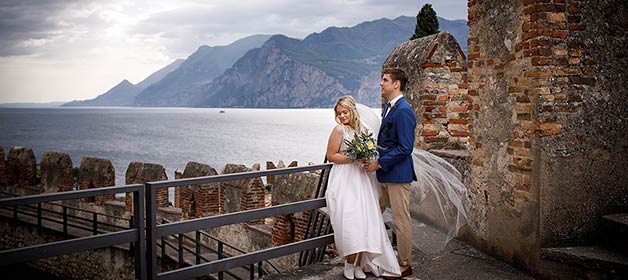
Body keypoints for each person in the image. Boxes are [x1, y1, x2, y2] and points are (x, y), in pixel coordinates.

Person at [325, 95, 401, 280]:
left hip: (361, 179)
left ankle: (359, 264)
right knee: (351, 221)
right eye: (339, 113)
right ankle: (349, 263)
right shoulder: (338, 131)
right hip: (344, 179)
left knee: (364, 221)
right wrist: (353, 158)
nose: (342, 116)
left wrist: (367, 159)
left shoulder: (364, 131)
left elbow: (372, 152)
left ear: (353, 111)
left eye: (345, 112)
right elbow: (331, 156)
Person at [365, 68, 416, 279]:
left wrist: (379, 163)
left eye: (385, 80)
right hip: (385, 174)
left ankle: (405, 265)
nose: (381, 83)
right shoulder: (389, 108)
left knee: (400, 220)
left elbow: (405, 147)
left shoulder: (403, 110)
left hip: (397, 175)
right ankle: (377, 255)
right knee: (374, 213)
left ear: (396, 84)